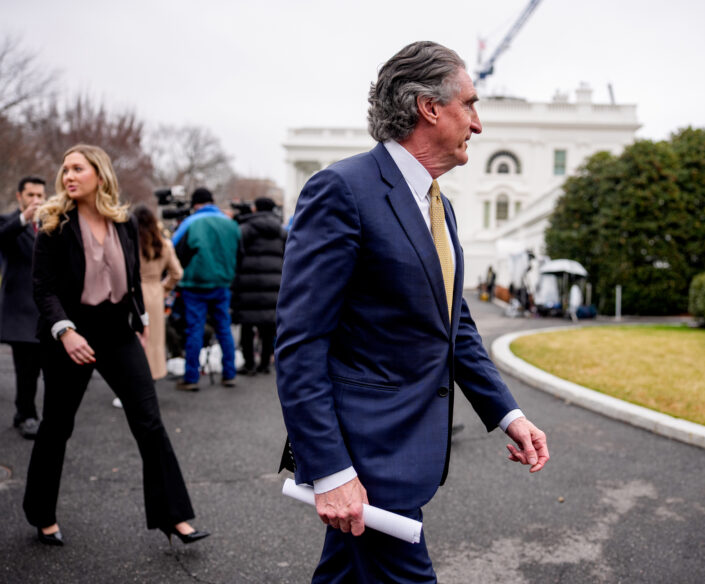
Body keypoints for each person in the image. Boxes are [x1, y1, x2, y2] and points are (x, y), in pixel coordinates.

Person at [276, 41, 549, 583]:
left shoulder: (440, 204)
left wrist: (508, 415)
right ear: (429, 107)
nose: (478, 123)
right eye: (469, 105)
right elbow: (300, 344)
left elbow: (454, 325)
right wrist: (330, 470)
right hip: (365, 458)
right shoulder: (342, 190)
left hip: (405, 455)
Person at [23, 144, 208, 546]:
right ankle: (41, 513)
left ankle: (173, 516)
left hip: (117, 332)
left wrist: (139, 318)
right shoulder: (52, 222)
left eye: (78, 168)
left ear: (100, 175)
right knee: (57, 426)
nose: (69, 175)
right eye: (65, 169)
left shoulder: (123, 222)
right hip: (69, 332)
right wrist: (65, 331)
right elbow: (43, 287)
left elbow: (132, 274)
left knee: (149, 421)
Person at [171, 187, 241, 391]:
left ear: (196, 204)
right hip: (222, 283)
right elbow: (239, 252)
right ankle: (229, 374)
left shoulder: (190, 223)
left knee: (195, 329)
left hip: (195, 284)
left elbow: (174, 251)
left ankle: (191, 377)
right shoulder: (230, 223)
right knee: (224, 328)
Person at [0, 176, 47, 439]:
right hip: (20, 308)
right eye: (31, 195)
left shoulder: (49, 224)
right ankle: (27, 414)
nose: (36, 200)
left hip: (47, 310)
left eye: (40, 195)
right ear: (20, 196)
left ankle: (33, 414)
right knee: (26, 370)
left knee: (47, 369)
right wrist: (23, 219)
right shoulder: (8, 222)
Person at [232, 197, 285, 376]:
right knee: (268, 327)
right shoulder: (281, 231)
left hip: (248, 284)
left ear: (255, 209)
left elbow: (236, 254)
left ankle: (249, 364)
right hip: (273, 285)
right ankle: (264, 363)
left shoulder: (244, 229)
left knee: (247, 326)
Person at [134, 204, 183, 380]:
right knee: (154, 339)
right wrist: (164, 288)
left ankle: (133, 380)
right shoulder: (163, 245)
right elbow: (177, 273)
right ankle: (152, 376)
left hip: (132, 292)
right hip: (155, 293)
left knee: (133, 339)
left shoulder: (129, 244)